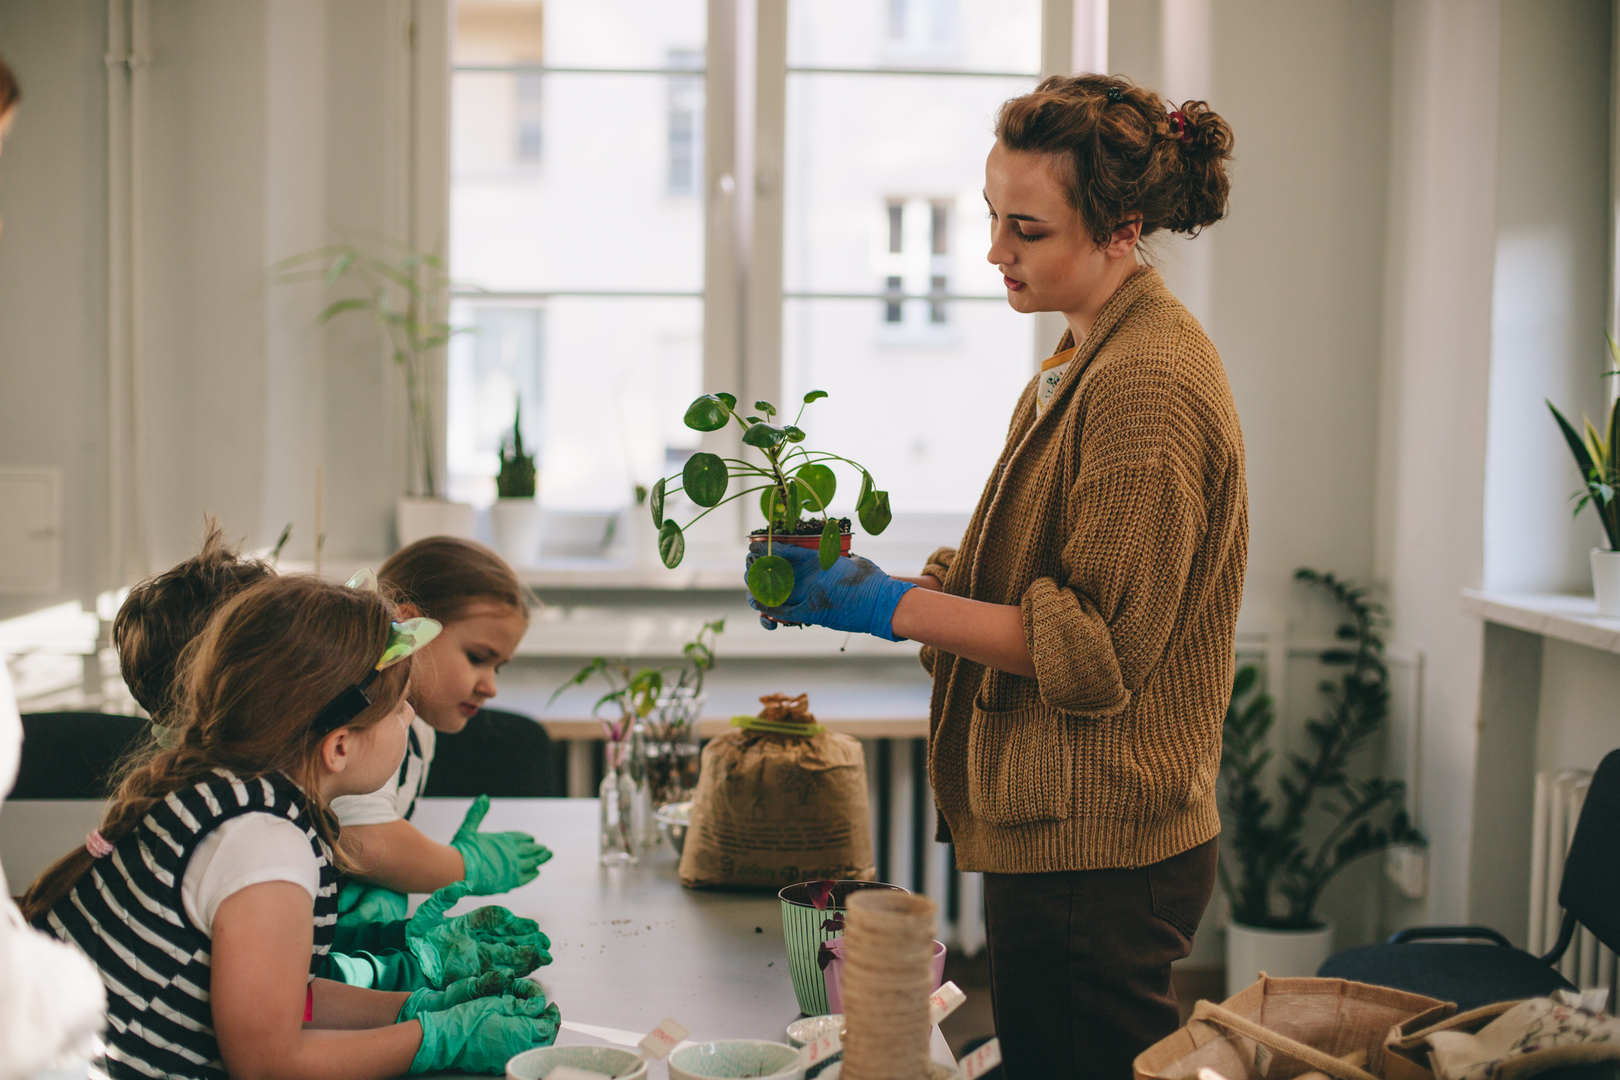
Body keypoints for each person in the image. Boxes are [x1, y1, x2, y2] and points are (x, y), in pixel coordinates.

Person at [750, 74, 1243, 1077]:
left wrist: (890, 607)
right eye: (991, 216)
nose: (993, 251)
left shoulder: (1146, 383)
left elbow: (1092, 652)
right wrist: (888, 586)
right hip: (1072, 834)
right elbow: (1040, 580)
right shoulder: (1086, 352)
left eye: (1028, 229)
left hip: (1101, 850)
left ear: (1121, 230)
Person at [22, 574, 561, 1079]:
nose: (408, 719)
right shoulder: (266, 846)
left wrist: (414, 1008)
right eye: (400, 709)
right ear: (339, 746)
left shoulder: (234, 796)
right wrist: (435, 1039)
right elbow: (267, 1063)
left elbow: (285, 997)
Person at [330, 538, 544, 933]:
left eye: (498, 667)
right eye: (478, 658)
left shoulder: (420, 732)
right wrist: (465, 866)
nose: (491, 687)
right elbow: (366, 841)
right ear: (410, 627)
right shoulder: (368, 721)